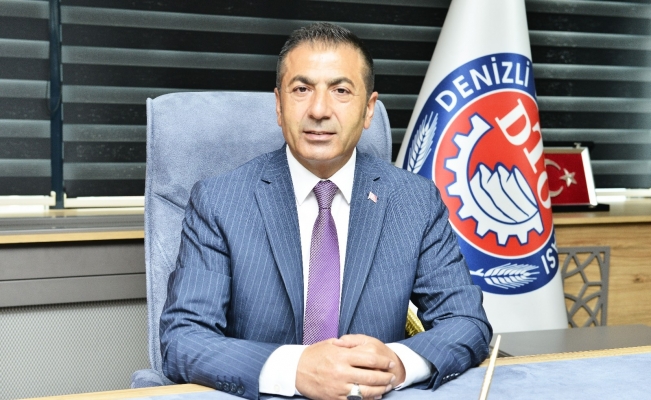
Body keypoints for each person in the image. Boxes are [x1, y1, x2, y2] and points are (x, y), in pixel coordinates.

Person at [159, 22, 491, 400]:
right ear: (279, 106)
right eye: (301, 89)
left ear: (368, 109)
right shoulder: (220, 202)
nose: (319, 110)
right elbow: (183, 339)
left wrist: (396, 364)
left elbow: (466, 322)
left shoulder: (414, 201)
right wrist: (295, 370)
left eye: (341, 91)